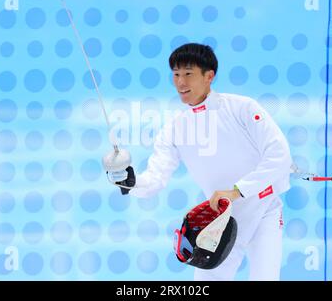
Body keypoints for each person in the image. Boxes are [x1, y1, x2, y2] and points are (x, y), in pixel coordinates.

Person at [111, 43, 292, 281]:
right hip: (219, 222)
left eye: (188, 74)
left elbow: (279, 155)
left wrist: (238, 191)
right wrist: (130, 182)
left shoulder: (242, 108)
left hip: (263, 209)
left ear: (209, 76)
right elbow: (155, 179)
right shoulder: (175, 127)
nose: (180, 82)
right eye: (176, 75)